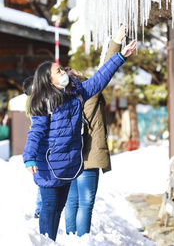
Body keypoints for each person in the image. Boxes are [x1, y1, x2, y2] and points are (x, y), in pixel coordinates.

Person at [23, 38, 137, 241]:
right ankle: (45, 242)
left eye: (62, 69)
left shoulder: (76, 93)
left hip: (69, 165)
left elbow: (99, 79)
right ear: (49, 81)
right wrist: (29, 157)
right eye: (59, 71)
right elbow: (36, 132)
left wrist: (120, 56)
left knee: (58, 208)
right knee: (49, 209)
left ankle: (52, 242)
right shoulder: (44, 102)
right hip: (49, 165)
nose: (64, 73)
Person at [64, 26, 126, 237]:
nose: (81, 73)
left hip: (71, 157)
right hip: (89, 155)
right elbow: (106, 68)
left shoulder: (64, 98)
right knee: (86, 203)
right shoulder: (88, 90)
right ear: (75, 78)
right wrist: (116, 42)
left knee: (72, 201)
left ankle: (71, 239)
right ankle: (81, 240)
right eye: (76, 72)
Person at [23, 76, 42, 218]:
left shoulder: (30, 100)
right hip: (41, 141)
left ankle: (40, 208)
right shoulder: (35, 100)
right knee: (45, 178)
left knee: (44, 177)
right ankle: (40, 208)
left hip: (39, 141)